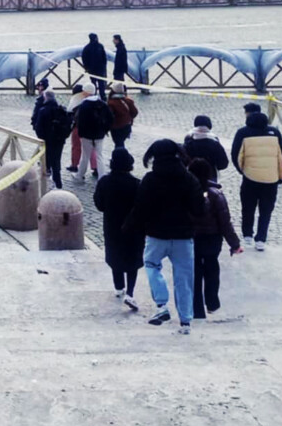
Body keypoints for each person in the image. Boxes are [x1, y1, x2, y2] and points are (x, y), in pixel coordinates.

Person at [127, 139, 203, 334]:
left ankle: (161, 304)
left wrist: (129, 227)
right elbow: (199, 209)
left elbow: (140, 209)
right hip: (183, 236)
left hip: (156, 235)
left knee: (151, 265)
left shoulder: (150, 179)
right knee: (184, 278)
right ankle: (185, 321)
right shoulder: (189, 179)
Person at [188, 158, 242, 320]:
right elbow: (225, 222)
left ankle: (197, 309)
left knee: (194, 274)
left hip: (192, 239)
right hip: (212, 238)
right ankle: (212, 302)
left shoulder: (186, 193)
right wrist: (234, 244)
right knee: (212, 268)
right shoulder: (216, 195)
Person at [231, 103, 282, 251]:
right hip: (271, 179)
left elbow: (236, 155)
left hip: (250, 177)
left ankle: (247, 235)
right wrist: (281, 176)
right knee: (266, 210)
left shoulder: (243, 133)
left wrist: (243, 170)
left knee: (248, 207)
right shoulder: (274, 133)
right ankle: (261, 238)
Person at [93, 148, 143, 311]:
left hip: (112, 225)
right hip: (133, 227)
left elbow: (99, 205)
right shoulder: (136, 183)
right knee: (132, 260)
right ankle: (130, 291)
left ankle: (119, 286)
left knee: (115, 256)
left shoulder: (105, 182)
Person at [31, 87, 71, 189]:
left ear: (45, 97)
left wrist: (42, 139)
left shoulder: (43, 110)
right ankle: (58, 184)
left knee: (46, 163)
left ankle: (47, 185)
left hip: (47, 141)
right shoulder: (61, 110)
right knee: (56, 161)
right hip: (59, 140)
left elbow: (38, 128)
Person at [74, 86, 112, 182]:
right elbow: (111, 118)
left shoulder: (83, 106)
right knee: (99, 155)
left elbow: (80, 121)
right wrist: (105, 130)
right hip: (99, 134)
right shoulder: (103, 104)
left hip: (86, 135)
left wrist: (81, 134)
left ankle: (79, 175)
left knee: (85, 156)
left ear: (86, 93)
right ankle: (102, 177)